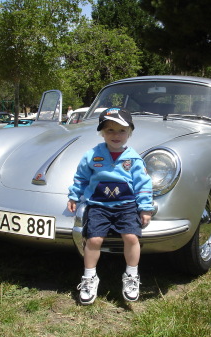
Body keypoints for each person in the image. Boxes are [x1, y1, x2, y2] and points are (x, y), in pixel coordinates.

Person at [67, 107, 154, 305]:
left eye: (121, 130)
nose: (116, 135)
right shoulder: (92, 155)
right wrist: (73, 196)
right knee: (94, 240)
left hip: (126, 206)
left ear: (129, 133)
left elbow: (143, 183)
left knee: (131, 237)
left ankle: (131, 276)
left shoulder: (133, 159)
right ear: (102, 133)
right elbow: (81, 178)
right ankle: (89, 277)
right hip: (99, 206)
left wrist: (145, 208)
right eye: (110, 130)